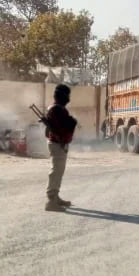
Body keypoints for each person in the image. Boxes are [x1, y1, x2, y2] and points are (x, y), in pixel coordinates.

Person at [45, 84, 78, 212]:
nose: (69, 98)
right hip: (57, 144)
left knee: (59, 171)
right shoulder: (57, 109)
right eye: (67, 95)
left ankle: (56, 197)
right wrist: (72, 121)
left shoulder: (56, 108)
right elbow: (63, 127)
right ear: (63, 96)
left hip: (58, 143)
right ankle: (51, 201)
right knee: (56, 172)